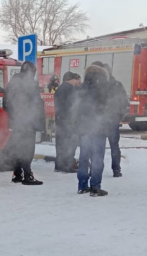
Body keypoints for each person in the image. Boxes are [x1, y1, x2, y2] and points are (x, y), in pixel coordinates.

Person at [3, 61, 45, 185]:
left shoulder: (11, 84)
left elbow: (5, 104)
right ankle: (27, 175)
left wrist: (14, 115)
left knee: (18, 147)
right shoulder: (30, 83)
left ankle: (17, 174)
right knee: (27, 149)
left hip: (16, 122)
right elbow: (36, 105)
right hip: (28, 122)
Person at [75, 64, 112, 197]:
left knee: (84, 157)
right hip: (99, 128)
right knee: (97, 158)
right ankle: (96, 187)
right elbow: (108, 108)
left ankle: (82, 186)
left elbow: (76, 108)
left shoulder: (81, 88)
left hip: (84, 128)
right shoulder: (103, 88)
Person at [101, 62, 129, 178]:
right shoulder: (118, 85)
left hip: (100, 120)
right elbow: (124, 102)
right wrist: (119, 116)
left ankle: (96, 169)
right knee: (114, 146)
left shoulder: (100, 85)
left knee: (99, 146)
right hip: (113, 120)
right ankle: (116, 170)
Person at [54, 71, 81, 173]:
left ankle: (59, 164)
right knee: (70, 144)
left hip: (60, 120)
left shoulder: (59, 89)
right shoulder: (71, 90)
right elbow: (74, 106)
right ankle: (67, 165)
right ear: (72, 79)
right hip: (69, 121)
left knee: (60, 143)